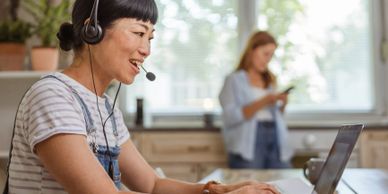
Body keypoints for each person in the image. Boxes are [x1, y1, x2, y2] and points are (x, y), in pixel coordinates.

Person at [3, 1, 280, 194]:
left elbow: (152, 185)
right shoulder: (53, 95)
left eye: (151, 38)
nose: (146, 49)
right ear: (93, 31)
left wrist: (216, 190)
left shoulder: (105, 108)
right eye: (138, 33)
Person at [219, 31, 294, 169]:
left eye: (271, 55)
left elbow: (275, 114)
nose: (268, 59)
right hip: (248, 142)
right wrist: (264, 101)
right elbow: (230, 117)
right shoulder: (234, 80)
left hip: (275, 137)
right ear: (252, 50)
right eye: (265, 54)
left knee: (282, 180)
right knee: (251, 184)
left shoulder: (270, 80)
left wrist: (282, 105)